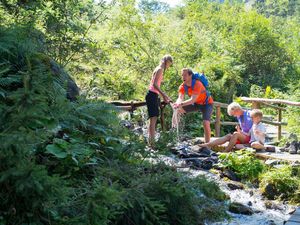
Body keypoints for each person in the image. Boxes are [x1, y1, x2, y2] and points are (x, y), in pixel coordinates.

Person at [172, 68, 213, 143]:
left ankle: (207, 145)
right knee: (177, 110)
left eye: (185, 75)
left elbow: (192, 100)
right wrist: (177, 104)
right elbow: (180, 98)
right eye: (182, 75)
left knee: (205, 123)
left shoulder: (198, 84)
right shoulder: (182, 86)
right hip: (196, 104)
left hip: (207, 104)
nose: (183, 77)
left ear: (190, 75)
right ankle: (174, 132)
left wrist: (180, 104)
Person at [145, 55, 173, 146]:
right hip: (152, 95)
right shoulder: (160, 69)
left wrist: (162, 97)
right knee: (153, 119)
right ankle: (151, 144)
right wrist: (164, 95)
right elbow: (155, 85)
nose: (168, 67)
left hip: (153, 95)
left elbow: (156, 86)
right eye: (168, 64)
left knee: (153, 119)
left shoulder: (158, 69)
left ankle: (151, 142)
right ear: (166, 61)